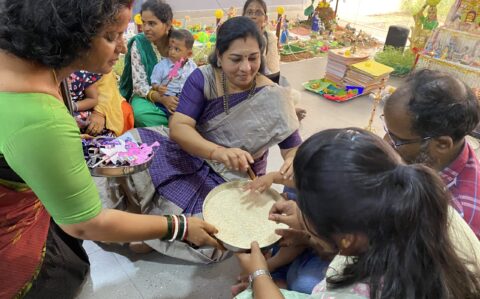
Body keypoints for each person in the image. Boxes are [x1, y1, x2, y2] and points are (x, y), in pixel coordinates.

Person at [0, 1, 221, 298]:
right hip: (19, 253)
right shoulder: (42, 118)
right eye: (111, 36)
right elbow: (86, 223)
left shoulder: (25, 63)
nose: (121, 46)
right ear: (70, 34)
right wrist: (179, 226)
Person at [97, 16, 301, 262]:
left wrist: (292, 159)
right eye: (236, 59)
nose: (246, 68)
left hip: (231, 177)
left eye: (253, 58)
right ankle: (130, 218)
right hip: (191, 151)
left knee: (215, 235)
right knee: (126, 145)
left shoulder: (274, 96)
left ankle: (151, 231)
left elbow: (293, 149)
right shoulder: (205, 77)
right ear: (220, 56)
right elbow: (179, 127)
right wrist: (217, 151)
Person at [235, 128, 480, 299]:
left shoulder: (356, 289)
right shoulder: (416, 200)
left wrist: (259, 273)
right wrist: (308, 234)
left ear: (346, 239)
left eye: (305, 211)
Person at [383, 69, 480, 239]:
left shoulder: (455, 214)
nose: (386, 142)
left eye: (397, 139)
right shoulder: (445, 151)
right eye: (387, 131)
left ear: (442, 144)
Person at [242, 0, 306, 121]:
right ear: (243, 17)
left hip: (263, 83)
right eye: (249, 12)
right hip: (239, 84)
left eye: (258, 12)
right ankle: (286, 112)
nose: (253, 16)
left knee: (293, 95)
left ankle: (283, 110)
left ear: (265, 19)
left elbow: (273, 73)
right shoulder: (236, 36)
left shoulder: (269, 37)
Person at [119, 0, 174, 127]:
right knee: (140, 115)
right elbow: (139, 85)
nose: (146, 28)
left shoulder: (178, 41)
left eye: (152, 23)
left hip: (176, 93)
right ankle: (179, 125)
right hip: (147, 96)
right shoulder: (139, 44)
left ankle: (178, 123)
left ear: (168, 24)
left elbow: (184, 68)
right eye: (144, 23)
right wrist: (162, 99)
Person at [150, 28, 197, 117]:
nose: (171, 52)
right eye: (170, 48)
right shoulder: (161, 66)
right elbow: (154, 83)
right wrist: (158, 87)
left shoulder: (192, 67)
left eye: (177, 49)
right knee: (174, 115)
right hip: (167, 101)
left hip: (185, 100)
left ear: (189, 54)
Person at [90, 71, 135, 137]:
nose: (116, 60)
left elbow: (107, 87)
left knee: (125, 111)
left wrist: (99, 112)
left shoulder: (104, 69)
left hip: (104, 101)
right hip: (76, 107)